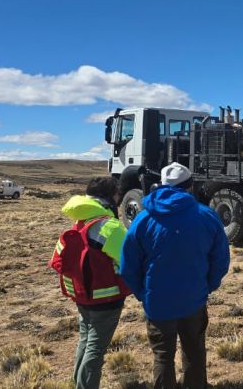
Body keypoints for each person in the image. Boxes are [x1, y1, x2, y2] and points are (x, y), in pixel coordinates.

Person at [120, 162, 230, 389]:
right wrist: (207, 286)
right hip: (194, 299)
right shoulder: (206, 216)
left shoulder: (143, 219)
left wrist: (143, 293)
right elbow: (220, 260)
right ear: (189, 186)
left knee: (162, 355)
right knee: (194, 349)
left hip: (158, 301)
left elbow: (128, 265)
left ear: (161, 185)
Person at [49, 176, 131, 389]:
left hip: (81, 294)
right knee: (96, 348)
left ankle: (78, 382)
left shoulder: (79, 222)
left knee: (85, 340)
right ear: (109, 197)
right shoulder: (110, 227)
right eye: (116, 195)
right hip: (106, 297)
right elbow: (129, 259)